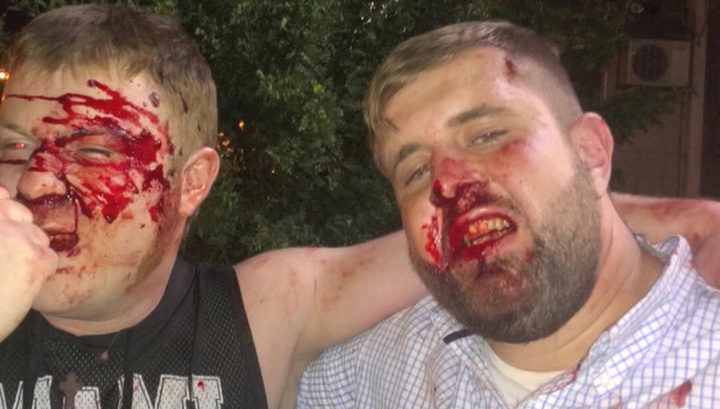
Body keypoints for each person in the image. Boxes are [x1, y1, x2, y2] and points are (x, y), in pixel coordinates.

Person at [1, 7, 719, 409]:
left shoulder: (268, 311)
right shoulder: (397, 367)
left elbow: (461, 238)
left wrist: (644, 209)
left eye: (91, 149)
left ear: (192, 183)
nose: (35, 184)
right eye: (11, 148)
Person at [297, 21, 720, 408]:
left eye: (486, 135)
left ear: (590, 154)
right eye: (416, 171)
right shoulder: (374, 370)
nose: (446, 184)